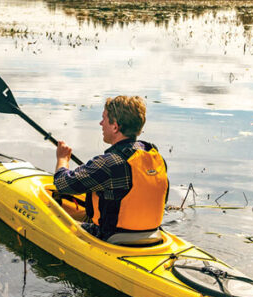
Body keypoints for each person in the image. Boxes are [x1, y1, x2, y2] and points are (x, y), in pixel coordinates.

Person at [54, 96, 169, 244]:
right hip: (153, 235)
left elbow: (62, 184)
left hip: (112, 238)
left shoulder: (109, 163)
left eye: (104, 119)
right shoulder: (156, 158)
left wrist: (62, 159)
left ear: (115, 127)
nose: (101, 123)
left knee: (55, 213)